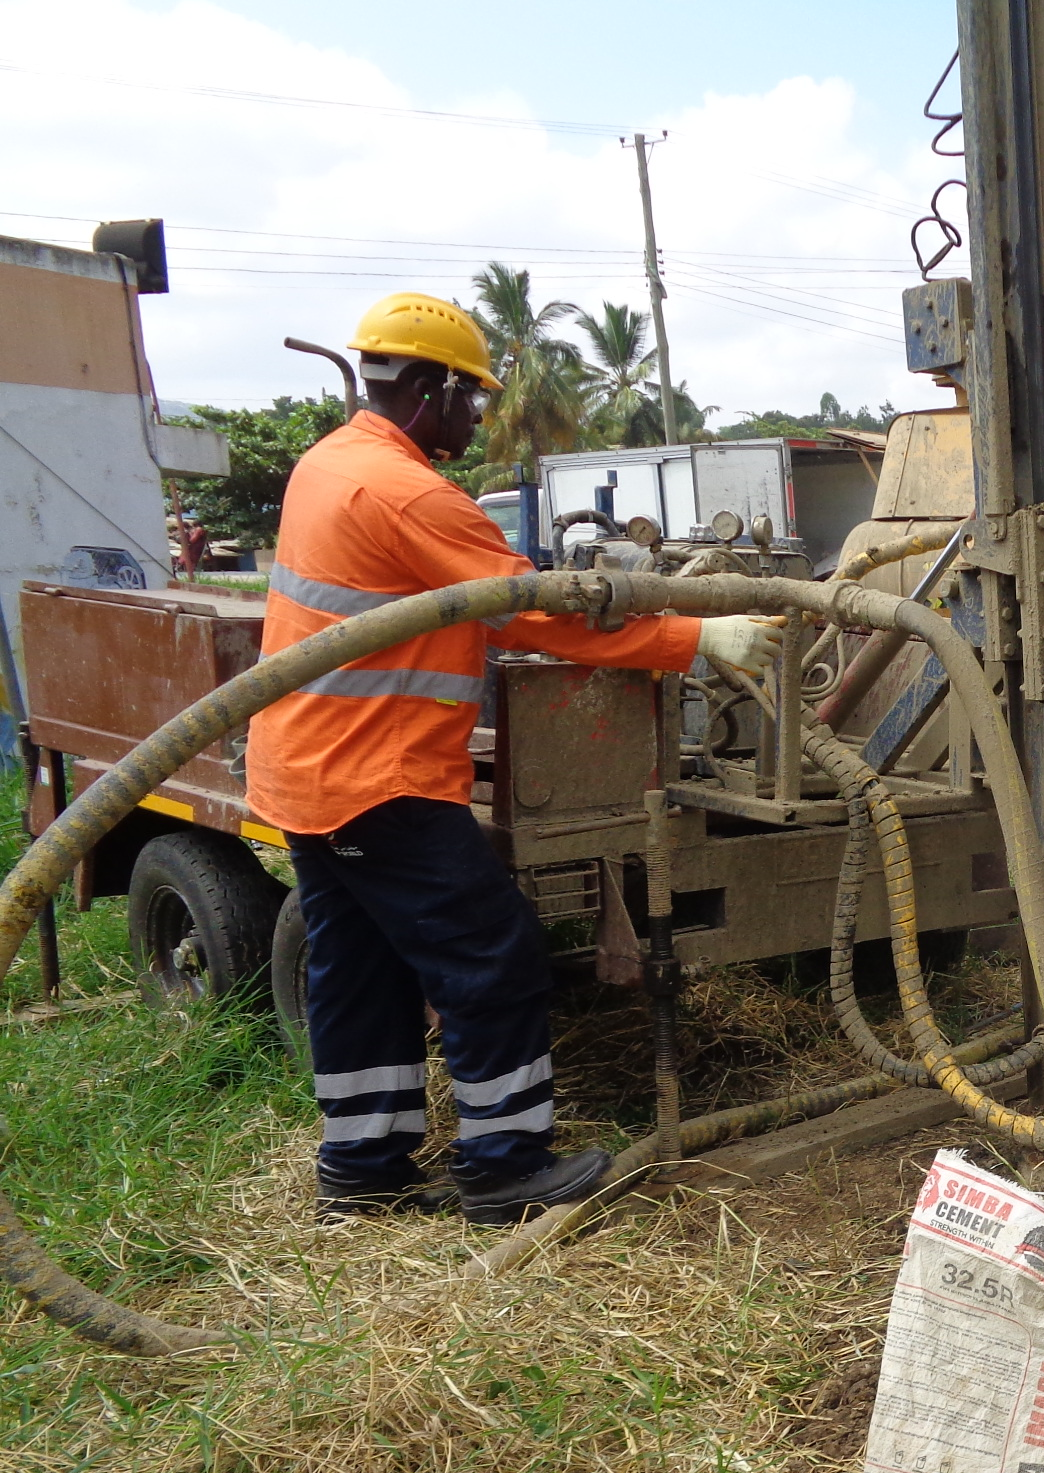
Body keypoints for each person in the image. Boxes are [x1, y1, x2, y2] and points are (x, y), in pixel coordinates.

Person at [245, 292, 781, 1224]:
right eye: (469, 397)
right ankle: (503, 1166)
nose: (478, 416)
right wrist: (698, 636)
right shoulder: (405, 490)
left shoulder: (330, 462)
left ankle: (362, 1169)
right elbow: (532, 608)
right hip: (379, 776)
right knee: (493, 951)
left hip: (308, 767)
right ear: (423, 386)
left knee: (362, 967)